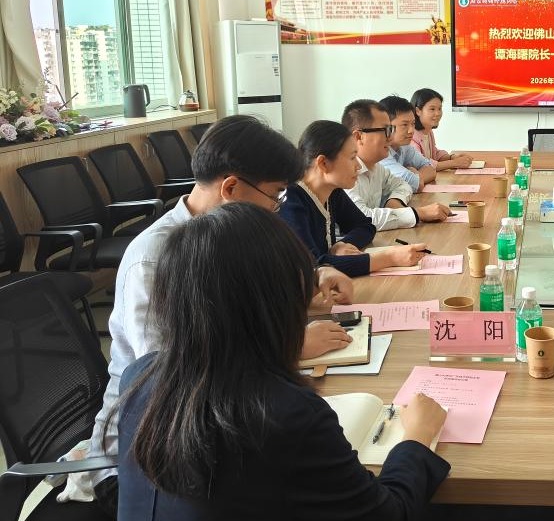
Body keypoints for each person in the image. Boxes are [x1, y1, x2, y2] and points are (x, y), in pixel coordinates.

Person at [67, 115, 355, 515]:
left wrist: (309, 285)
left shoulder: (228, 238)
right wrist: (291, 345)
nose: (277, 210)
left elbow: (234, 314)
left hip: (212, 426)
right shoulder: (155, 259)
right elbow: (175, 380)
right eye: (276, 196)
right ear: (231, 188)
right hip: (146, 458)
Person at [117, 203, 450, 519]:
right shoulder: (287, 415)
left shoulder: (139, 376)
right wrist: (417, 437)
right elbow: (389, 513)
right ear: (276, 301)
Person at [279, 120, 428, 277]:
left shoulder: (332, 191)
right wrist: (389, 258)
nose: (358, 166)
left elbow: (366, 226)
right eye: (352, 157)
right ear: (323, 163)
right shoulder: (291, 201)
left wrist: (342, 244)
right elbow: (313, 267)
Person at [342, 99, 452, 230]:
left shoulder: (377, 168)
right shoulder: (343, 172)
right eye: (386, 130)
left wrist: (394, 201)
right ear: (359, 137)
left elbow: (403, 185)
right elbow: (361, 218)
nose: (390, 137)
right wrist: (418, 213)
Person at [378, 95, 436, 192]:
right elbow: (415, 184)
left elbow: (431, 169)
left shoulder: (404, 147)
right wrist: (415, 178)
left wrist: (416, 176)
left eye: (413, 124)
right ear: (386, 126)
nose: (411, 130)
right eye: (404, 125)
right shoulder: (380, 152)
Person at [410, 88, 473, 171]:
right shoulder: (410, 136)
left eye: (439, 109)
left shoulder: (428, 131)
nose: (438, 113)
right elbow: (422, 164)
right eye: (432, 109)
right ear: (418, 111)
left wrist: (452, 157)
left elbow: (434, 154)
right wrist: (454, 163)